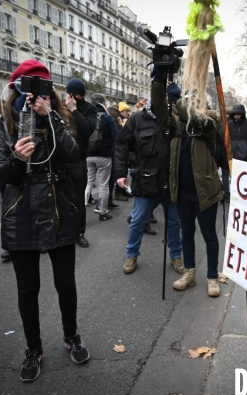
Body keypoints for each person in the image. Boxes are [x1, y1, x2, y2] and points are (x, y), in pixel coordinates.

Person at [0, 60, 90, 381]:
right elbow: (2, 172)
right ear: (15, 88)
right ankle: (33, 347)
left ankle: (71, 334)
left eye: (42, 87)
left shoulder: (58, 117)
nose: (35, 94)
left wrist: (52, 119)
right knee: (27, 288)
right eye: (28, 86)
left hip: (58, 207)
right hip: (20, 210)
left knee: (65, 283)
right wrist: (18, 159)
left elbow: (73, 154)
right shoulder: (1, 122)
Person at [150, 71, 225, 297]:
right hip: (181, 192)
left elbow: (198, 120)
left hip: (206, 192)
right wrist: (158, 83)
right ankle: (190, 273)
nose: (189, 102)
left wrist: (181, 101)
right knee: (187, 234)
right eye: (187, 98)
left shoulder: (209, 121)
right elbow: (159, 108)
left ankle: (212, 277)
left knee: (209, 235)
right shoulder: (175, 125)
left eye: (194, 99)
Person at [115, 83, 184, 275]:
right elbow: (121, 145)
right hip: (145, 180)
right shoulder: (137, 119)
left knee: (173, 221)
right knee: (138, 220)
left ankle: (176, 256)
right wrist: (120, 174)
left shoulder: (174, 120)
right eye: (166, 97)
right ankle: (132, 255)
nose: (168, 101)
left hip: (170, 180)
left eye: (171, 98)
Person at [64, 78, 100, 246]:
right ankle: (61, 232)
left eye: (75, 94)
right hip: (61, 159)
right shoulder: (61, 107)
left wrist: (74, 110)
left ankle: (79, 233)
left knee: (78, 199)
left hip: (79, 160)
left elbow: (87, 129)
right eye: (69, 94)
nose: (71, 97)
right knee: (60, 198)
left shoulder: (90, 109)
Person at [84, 93, 118, 222]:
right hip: (104, 155)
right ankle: (103, 212)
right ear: (103, 103)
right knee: (103, 185)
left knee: (89, 182)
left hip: (89, 155)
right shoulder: (107, 118)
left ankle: (83, 207)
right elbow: (116, 136)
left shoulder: (87, 116)